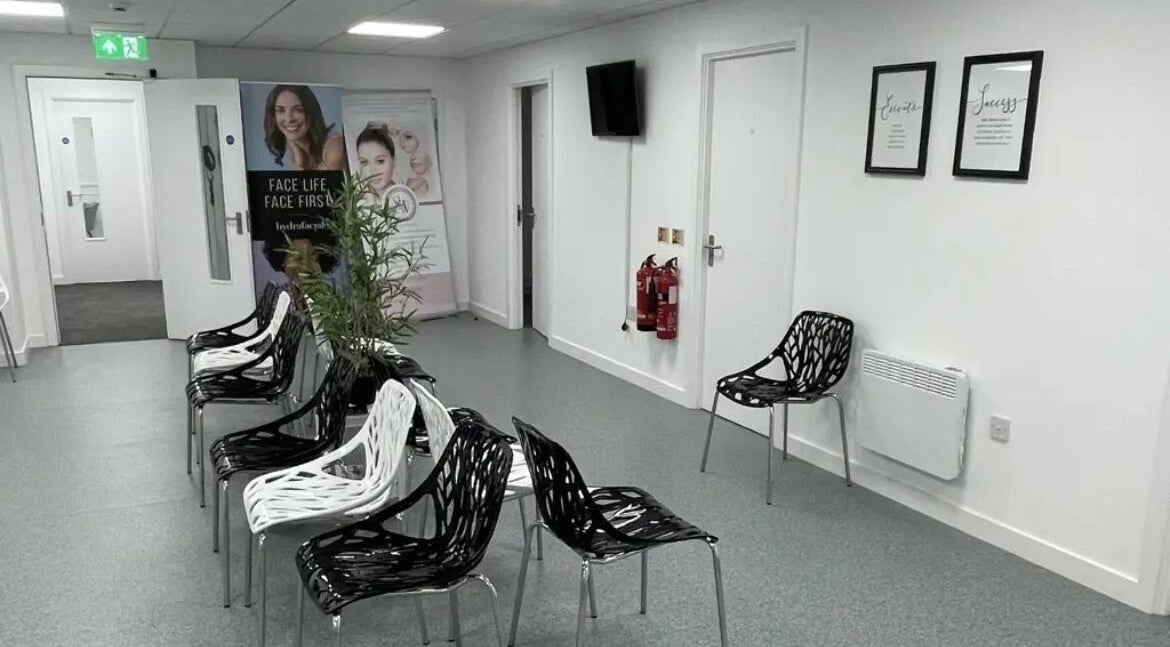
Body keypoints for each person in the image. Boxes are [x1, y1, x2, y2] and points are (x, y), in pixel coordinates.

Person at [263, 85, 346, 170]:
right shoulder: (294, 151)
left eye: (298, 110)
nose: (289, 119)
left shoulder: (334, 147)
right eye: (281, 111)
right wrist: (299, 162)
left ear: (310, 112)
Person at [355, 124, 401, 199]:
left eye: (380, 161)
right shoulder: (358, 201)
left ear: (394, 161)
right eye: (364, 162)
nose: (373, 171)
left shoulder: (404, 197)